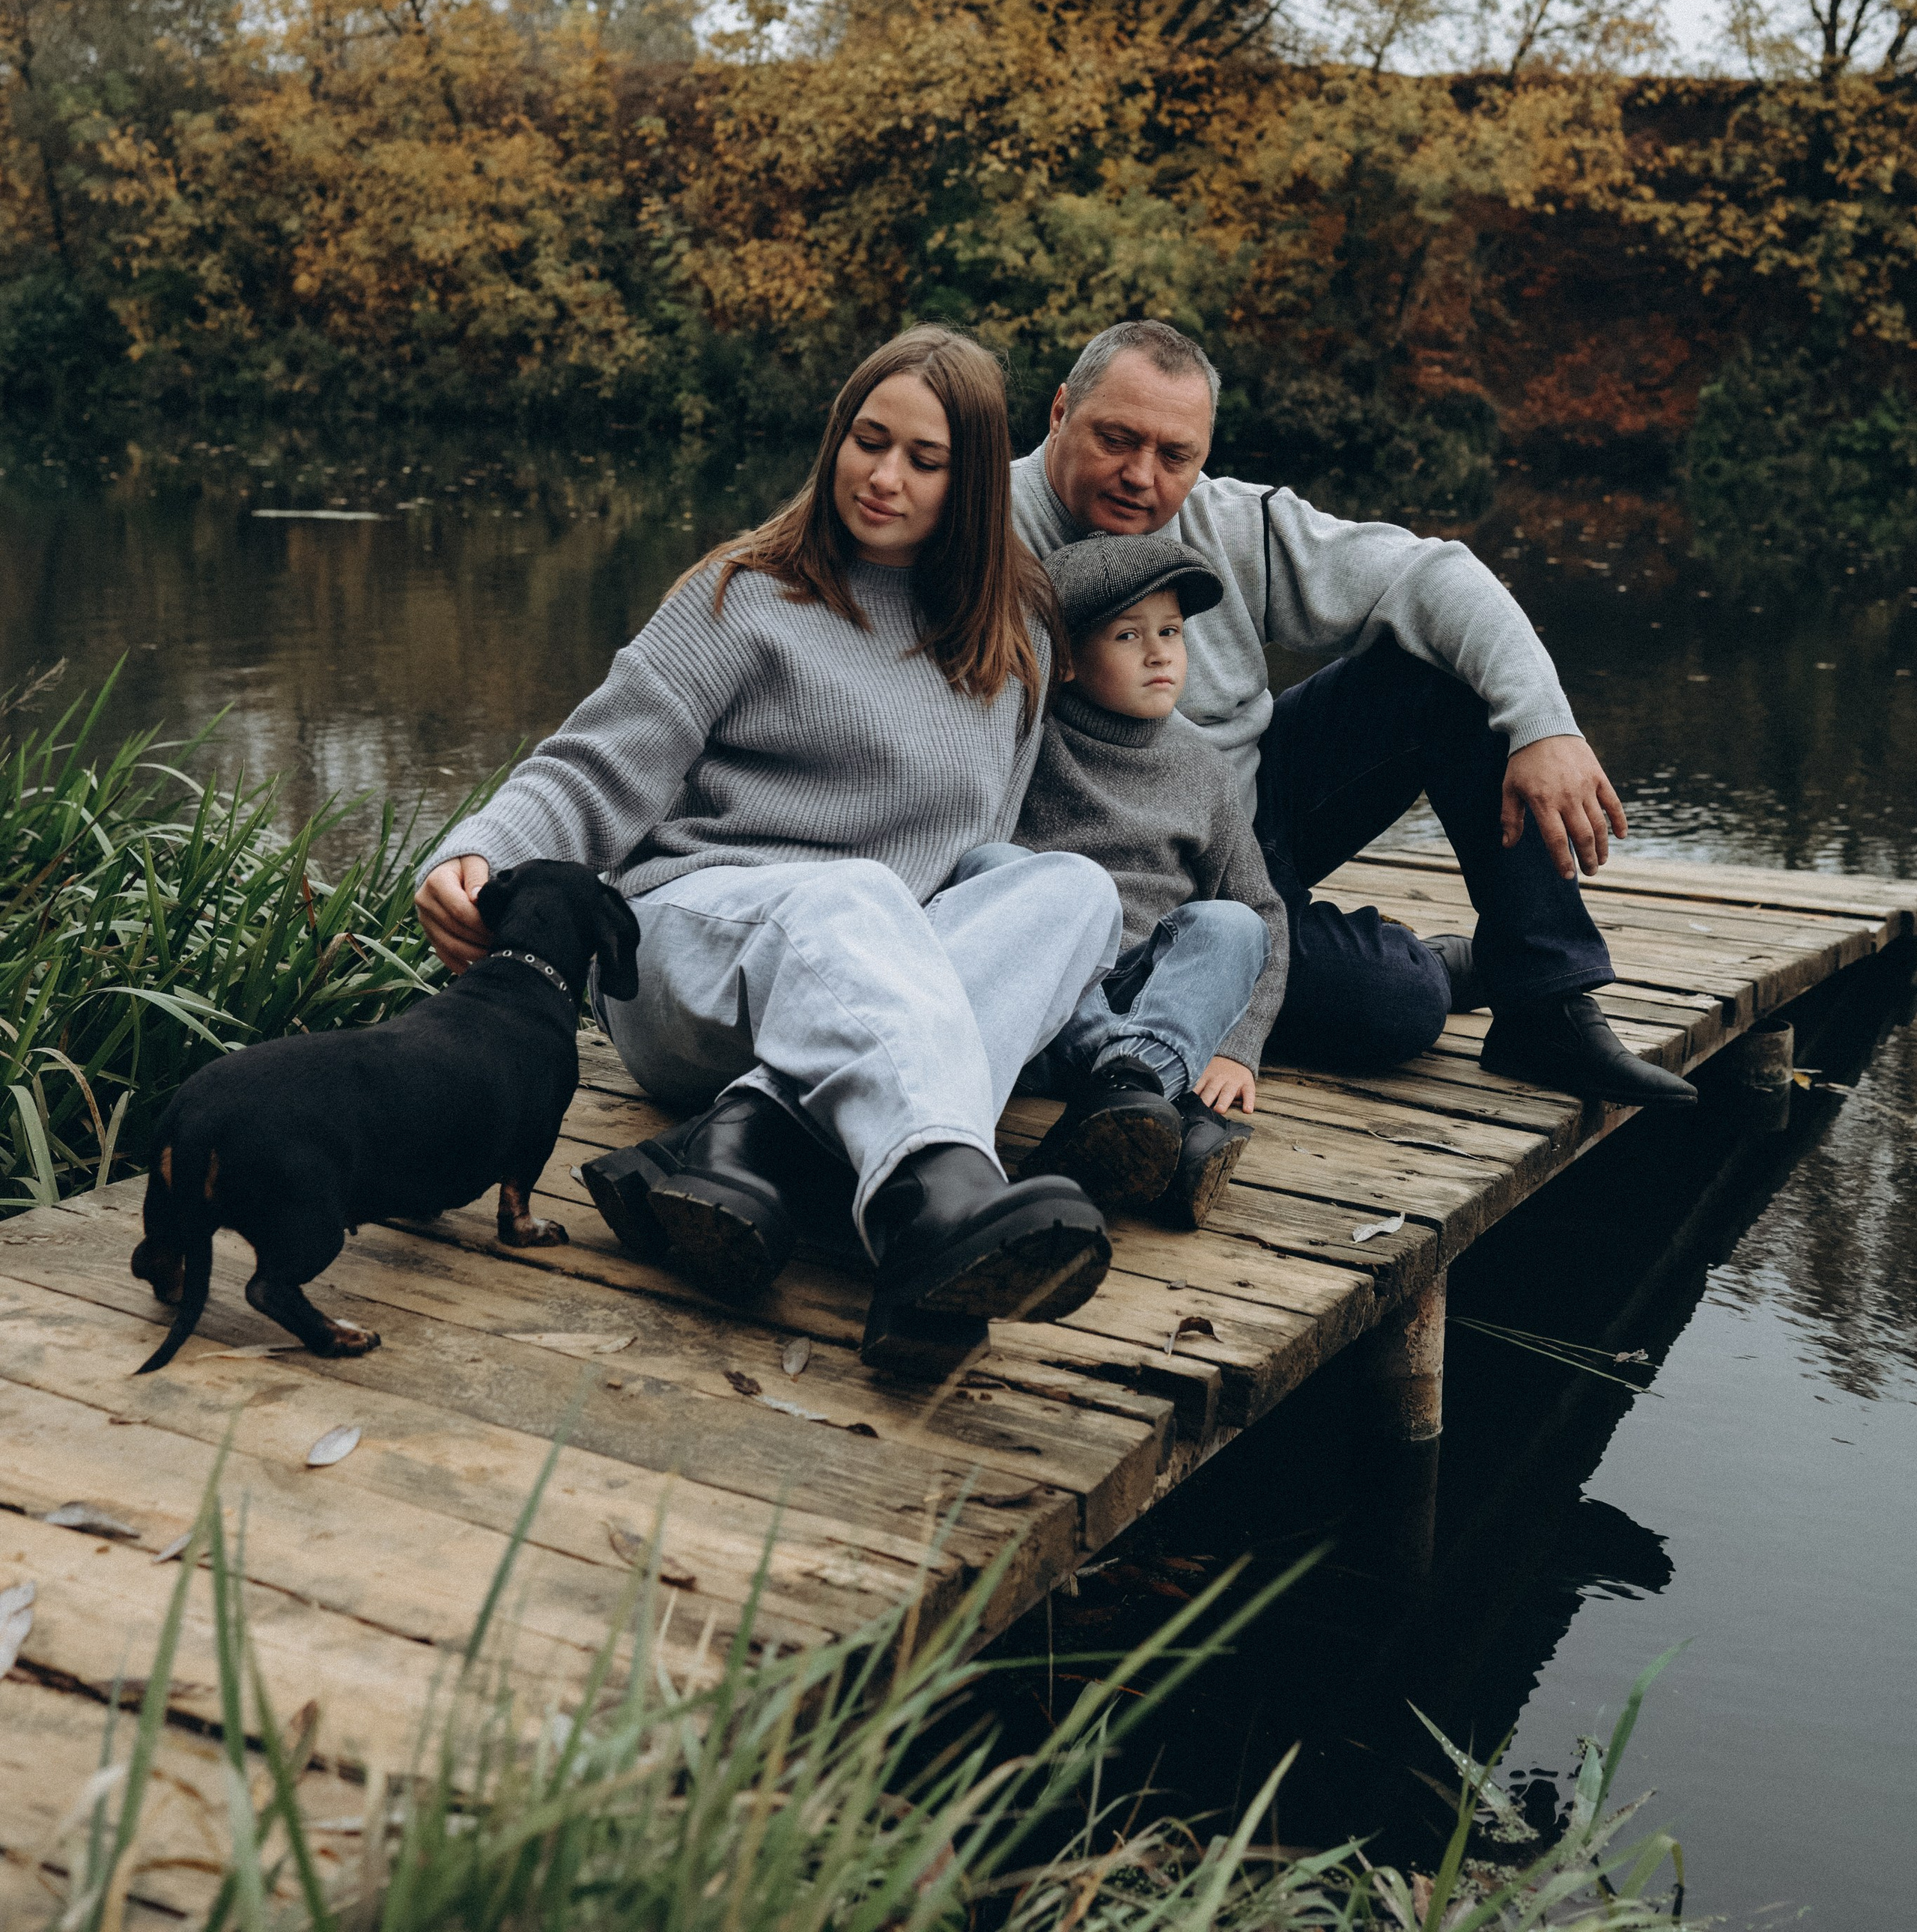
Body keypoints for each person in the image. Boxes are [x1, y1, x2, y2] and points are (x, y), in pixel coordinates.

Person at [416, 325, 1143, 1373]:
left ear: (975, 480)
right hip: (687, 957)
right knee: (851, 894)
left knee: (1074, 892)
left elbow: (980, 854)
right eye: (867, 439)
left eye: (924, 460)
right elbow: (591, 765)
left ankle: (768, 1155)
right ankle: (931, 1194)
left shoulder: (1016, 632)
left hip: (866, 980)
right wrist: (482, 850)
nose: (883, 477)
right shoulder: (741, 594)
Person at [1008, 320, 1695, 1109]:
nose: (1141, 476)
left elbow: (1429, 576)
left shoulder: (1232, 524)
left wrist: (1544, 723)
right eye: (1116, 439)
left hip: (1244, 827)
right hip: (1106, 884)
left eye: (1175, 456)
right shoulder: (975, 535)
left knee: (1440, 672)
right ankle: (1441, 967)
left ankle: (1545, 1002)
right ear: (1060, 411)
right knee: (1398, 1006)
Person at [958, 525, 1289, 1232]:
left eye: (1170, 631)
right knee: (994, 867)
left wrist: (1239, 1046)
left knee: (1232, 925)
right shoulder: (1027, 737)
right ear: (1068, 661)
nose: (1160, 653)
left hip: (1148, 1002)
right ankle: (1157, 1119)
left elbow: (1264, 908)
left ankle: (1128, 1089)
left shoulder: (1201, 767)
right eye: (1127, 637)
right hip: (1042, 1003)